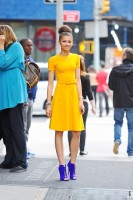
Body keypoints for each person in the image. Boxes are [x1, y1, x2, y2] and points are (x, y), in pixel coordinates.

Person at [46, 25, 84, 181]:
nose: (67, 44)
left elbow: (78, 79)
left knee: (77, 131)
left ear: (72, 42)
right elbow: (50, 83)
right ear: (59, 42)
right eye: (64, 41)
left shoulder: (76, 58)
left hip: (73, 94)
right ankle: (62, 166)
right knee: (59, 131)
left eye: (69, 41)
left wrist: (81, 100)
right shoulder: (53, 60)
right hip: (60, 94)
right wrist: (48, 103)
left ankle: (72, 165)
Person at [0, 25, 28, 172]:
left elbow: (2, 64)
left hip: (14, 94)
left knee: (17, 128)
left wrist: (0, 47)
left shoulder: (16, 47)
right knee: (6, 129)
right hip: (3, 96)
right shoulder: (2, 50)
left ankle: (21, 161)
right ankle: (10, 159)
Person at [68, 56, 96, 156]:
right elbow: (89, 92)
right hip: (83, 102)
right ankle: (82, 150)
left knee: (71, 127)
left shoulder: (70, 75)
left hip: (71, 103)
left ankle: (71, 151)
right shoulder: (85, 76)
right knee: (82, 126)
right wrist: (93, 106)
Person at [108, 47, 133, 157]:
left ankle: (117, 140)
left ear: (125, 57)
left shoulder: (114, 70)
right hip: (131, 103)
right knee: (131, 127)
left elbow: (111, 86)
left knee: (118, 123)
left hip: (118, 102)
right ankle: (130, 151)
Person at [20, 38, 37, 159]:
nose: (30, 48)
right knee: (23, 126)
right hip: (24, 99)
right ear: (22, 47)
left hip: (31, 99)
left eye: (31, 45)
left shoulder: (31, 60)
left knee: (28, 127)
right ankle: (22, 151)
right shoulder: (20, 61)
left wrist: (33, 98)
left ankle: (25, 147)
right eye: (28, 46)